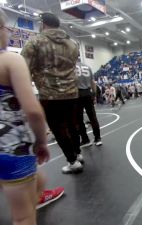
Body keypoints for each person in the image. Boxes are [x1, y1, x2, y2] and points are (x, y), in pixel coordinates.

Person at [0, 9, 64, 224]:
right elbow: (34, 111)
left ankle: (36, 193)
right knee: (23, 217)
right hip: (11, 149)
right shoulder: (10, 61)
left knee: (36, 180)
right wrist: (41, 142)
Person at [21, 12, 83, 173]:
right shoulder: (72, 44)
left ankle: (72, 161)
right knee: (72, 125)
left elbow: (22, 70)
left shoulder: (34, 42)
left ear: (43, 23)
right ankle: (78, 153)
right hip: (72, 92)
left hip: (50, 94)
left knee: (58, 128)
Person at [76, 61, 102, 147]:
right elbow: (93, 83)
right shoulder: (87, 67)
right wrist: (94, 94)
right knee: (93, 117)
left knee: (78, 119)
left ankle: (85, 139)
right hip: (87, 93)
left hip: (76, 94)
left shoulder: (70, 67)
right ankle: (98, 138)